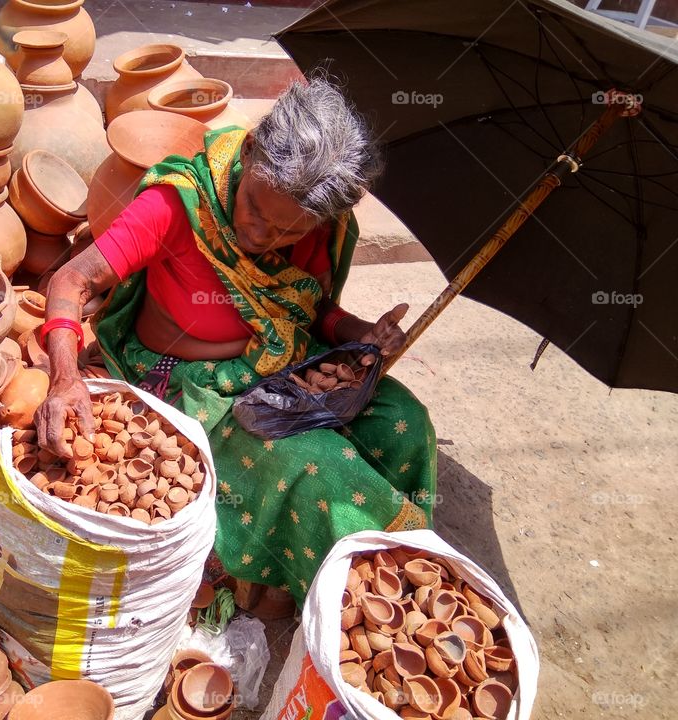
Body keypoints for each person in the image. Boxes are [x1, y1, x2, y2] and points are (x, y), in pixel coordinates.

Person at [35, 78, 437, 605]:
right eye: (256, 211)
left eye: (285, 233)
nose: (259, 236)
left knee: (403, 420)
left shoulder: (322, 225)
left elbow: (308, 310)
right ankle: (335, 590)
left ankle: (406, 568)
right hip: (187, 381)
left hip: (285, 363)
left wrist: (359, 334)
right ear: (250, 152)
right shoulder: (180, 202)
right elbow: (72, 281)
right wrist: (65, 377)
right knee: (316, 466)